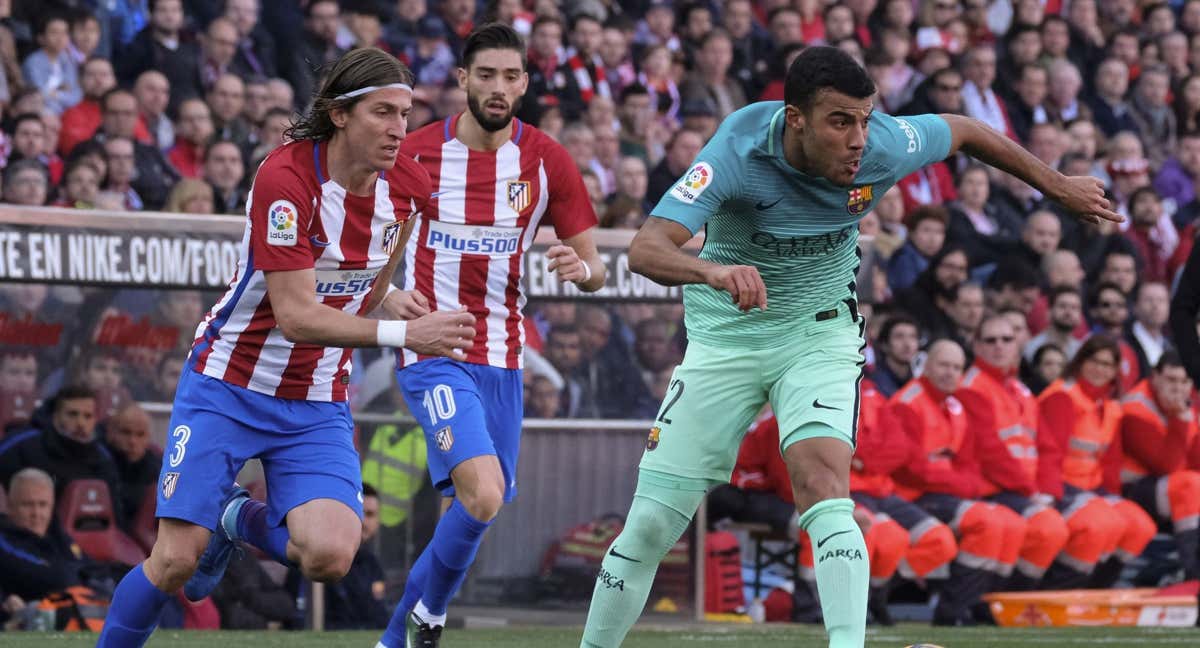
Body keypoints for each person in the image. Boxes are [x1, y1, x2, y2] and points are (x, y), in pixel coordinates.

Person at [578, 45, 1118, 648]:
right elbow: (645, 250)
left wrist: (1057, 184)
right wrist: (712, 272)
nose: (859, 138)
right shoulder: (737, 149)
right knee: (652, 522)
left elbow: (963, 130)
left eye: (864, 118)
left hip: (820, 332)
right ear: (796, 119)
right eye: (841, 122)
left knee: (823, 484)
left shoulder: (884, 142)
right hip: (726, 337)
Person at [95, 47, 477, 648]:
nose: (400, 129)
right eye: (384, 112)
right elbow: (296, 316)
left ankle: (234, 518)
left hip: (316, 399)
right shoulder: (286, 177)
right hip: (230, 383)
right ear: (340, 115)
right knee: (173, 561)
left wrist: (391, 297)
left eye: (405, 113)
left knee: (330, 554)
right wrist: (407, 334)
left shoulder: (408, 184)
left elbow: (370, 276)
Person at [377, 24, 605, 648]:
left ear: (525, 83)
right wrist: (389, 294)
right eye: (485, 76)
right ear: (462, 81)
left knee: (474, 509)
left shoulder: (548, 159)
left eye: (510, 77)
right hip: (432, 347)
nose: (498, 88)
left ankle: (395, 639)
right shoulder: (416, 154)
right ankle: (429, 619)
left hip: (504, 356)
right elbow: (369, 246)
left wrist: (581, 270)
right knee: (483, 492)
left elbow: (595, 266)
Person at [889, 340, 1026, 626]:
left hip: (946, 494)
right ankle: (951, 610)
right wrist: (961, 485)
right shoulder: (907, 403)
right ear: (926, 366)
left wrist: (966, 486)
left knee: (1013, 525)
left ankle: (977, 603)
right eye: (943, 365)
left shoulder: (955, 406)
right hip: (913, 495)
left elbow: (970, 463)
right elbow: (911, 469)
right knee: (987, 522)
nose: (950, 373)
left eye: (956, 368)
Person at [956, 315, 1071, 590]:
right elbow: (990, 453)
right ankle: (1006, 596)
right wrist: (1032, 492)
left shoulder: (1020, 390)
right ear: (977, 346)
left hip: (1026, 490)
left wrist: (1048, 491)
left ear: (1018, 344)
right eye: (990, 340)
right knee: (1049, 529)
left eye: (1006, 340)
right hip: (994, 489)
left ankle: (1020, 596)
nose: (999, 346)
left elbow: (1048, 447)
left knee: (1086, 523)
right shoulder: (970, 387)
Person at [1037, 335, 1158, 589]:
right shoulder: (1063, 396)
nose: (1099, 369)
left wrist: (1113, 500)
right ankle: (1060, 588)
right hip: (1062, 485)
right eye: (1094, 361)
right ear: (1080, 361)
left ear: (1115, 371)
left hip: (1093, 488)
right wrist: (1049, 496)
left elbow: (1111, 463)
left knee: (1140, 526)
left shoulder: (1111, 407)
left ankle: (1098, 587)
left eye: (1107, 364)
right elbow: (1050, 452)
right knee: (1099, 525)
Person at [1119, 351, 1200, 581]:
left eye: (1185, 381)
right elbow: (1166, 464)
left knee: (1193, 484)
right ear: (1155, 377)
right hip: (1133, 490)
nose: (1178, 388)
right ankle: (1193, 573)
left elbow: (1196, 462)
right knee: (1190, 486)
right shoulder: (1136, 406)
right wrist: (1181, 420)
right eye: (1171, 380)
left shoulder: (1188, 404)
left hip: (1168, 488)